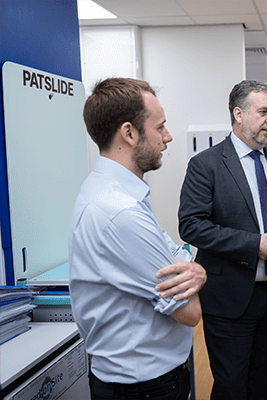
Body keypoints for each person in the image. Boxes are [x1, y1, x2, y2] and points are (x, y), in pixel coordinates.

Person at [178, 79, 267, 400]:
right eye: (263, 111)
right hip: (230, 297)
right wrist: (252, 245)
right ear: (238, 114)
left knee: (266, 384)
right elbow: (192, 226)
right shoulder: (206, 165)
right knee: (231, 386)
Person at [69, 77, 207, 400]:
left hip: (136, 382)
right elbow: (190, 312)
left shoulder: (108, 192)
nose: (168, 137)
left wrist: (187, 264)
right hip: (145, 388)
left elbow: (174, 249)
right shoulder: (120, 213)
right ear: (129, 133)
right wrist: (195, 270)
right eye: (160, 127)